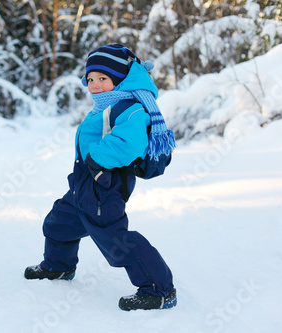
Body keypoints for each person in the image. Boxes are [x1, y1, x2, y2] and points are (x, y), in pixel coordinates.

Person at [24, 44, 177, 311]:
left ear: (119, 79)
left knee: (116, 242)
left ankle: (159, 289)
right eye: (91, 79)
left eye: (102, 79)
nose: (94, 85)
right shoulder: (105, 106)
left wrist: (96, 158)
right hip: (85, 182)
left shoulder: (129, 107)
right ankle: (58, 267)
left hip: (104, 186)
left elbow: (130, 143)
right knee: (59, 222)